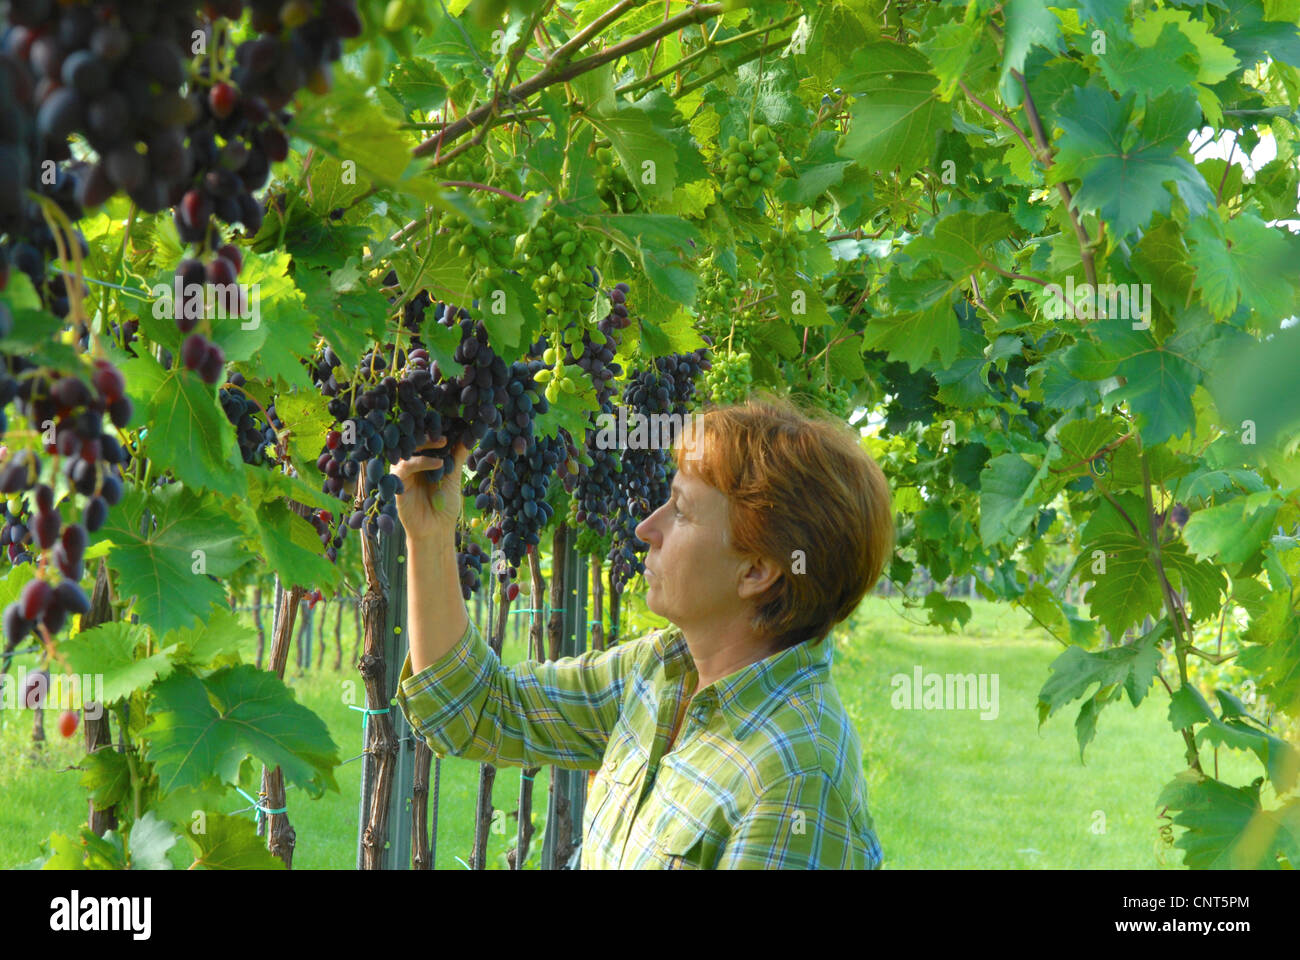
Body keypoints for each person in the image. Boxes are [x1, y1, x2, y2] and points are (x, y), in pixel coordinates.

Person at [391, 394, 894, 868]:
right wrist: (430, 534)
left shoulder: (796, 780)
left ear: (757, 571)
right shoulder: (661, 672)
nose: (645, 528)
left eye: (681, 511)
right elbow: (477, 709)